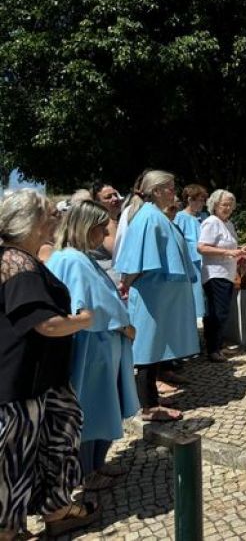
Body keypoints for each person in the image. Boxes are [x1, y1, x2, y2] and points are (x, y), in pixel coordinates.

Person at [0, 189, 98, 539]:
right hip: (21, 380)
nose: (55, 217)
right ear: (31, 222)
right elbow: (47, 324)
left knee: (61, 433)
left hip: (43, 378)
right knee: (14, 456)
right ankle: (8, 530)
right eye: (48, 213)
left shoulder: (20, 258)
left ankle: (56, 508)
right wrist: (84, 320)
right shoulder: (18, 263)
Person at [46, 201, 139, 491]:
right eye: (101, 227)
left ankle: (96, 464)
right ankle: (87, 471)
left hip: (100, 345)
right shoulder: (72, 259)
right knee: (95, 408)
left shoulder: (76, 257)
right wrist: (124, 325)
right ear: (86, 227)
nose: (104, 232)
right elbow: (90, 303)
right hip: (94, 346)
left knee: (102, 404)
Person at [114, 170, 199, 421]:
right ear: (158, 190)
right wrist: (127, 285)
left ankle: (151, 403)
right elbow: (135, 262)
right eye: (170, 187)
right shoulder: (149, 217)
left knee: (153, 348)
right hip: (150, 296)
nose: (175, 191)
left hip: (158, 296)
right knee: (146, 350)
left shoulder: (156, 216)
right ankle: (149, 407)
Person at [198, 189, 244, 363]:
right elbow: (201, 247)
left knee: (222, 312)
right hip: (215, 274)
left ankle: (217, 346)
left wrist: (240, 252)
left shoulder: (228, 224)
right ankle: (213, 349)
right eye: (224, 204)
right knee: (218, 312)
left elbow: (230, 250)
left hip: (227, 273)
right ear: (215, 205)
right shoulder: (211, 222)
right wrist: (228, 252)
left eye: (231, 205)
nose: (228, 208)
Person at [174, 184, 208, 319]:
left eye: (203, 200)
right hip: (191, 259)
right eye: (199, 200)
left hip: (205, 258)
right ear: (189, 200)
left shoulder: (204, 216)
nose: (202, 203)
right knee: (196, 291)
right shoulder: (180, 217)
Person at [89, 182, 123, 286]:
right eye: (108, 197)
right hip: (112, 282)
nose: (115, 199)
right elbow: (119, 254)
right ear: (97, 203)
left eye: (115, 195)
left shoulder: (116, 220)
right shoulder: (106, 223)